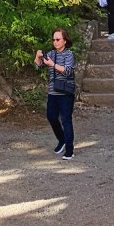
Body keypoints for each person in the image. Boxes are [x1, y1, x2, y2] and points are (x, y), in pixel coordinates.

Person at [34, 28, 76, 158]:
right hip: (53, 92)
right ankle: (62, 139)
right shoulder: (51, 54)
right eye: (53, 40)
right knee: (51, 117)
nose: (55, 42)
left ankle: (69, 150)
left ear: (65, 40)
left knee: (66, 120)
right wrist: (38, 57)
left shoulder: (69, 54)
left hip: (66, 93)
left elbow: (68, 71)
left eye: (58, 39)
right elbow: (37, 67)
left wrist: (53, 65)